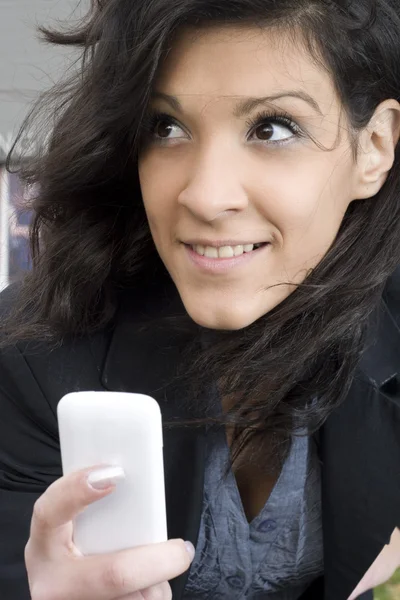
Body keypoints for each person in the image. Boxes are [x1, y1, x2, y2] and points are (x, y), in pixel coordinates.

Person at [1, 0, 400, 598]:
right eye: (166, 127)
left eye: (272, 128)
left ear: (372, 147)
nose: (206, 197)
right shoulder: (30, 353)